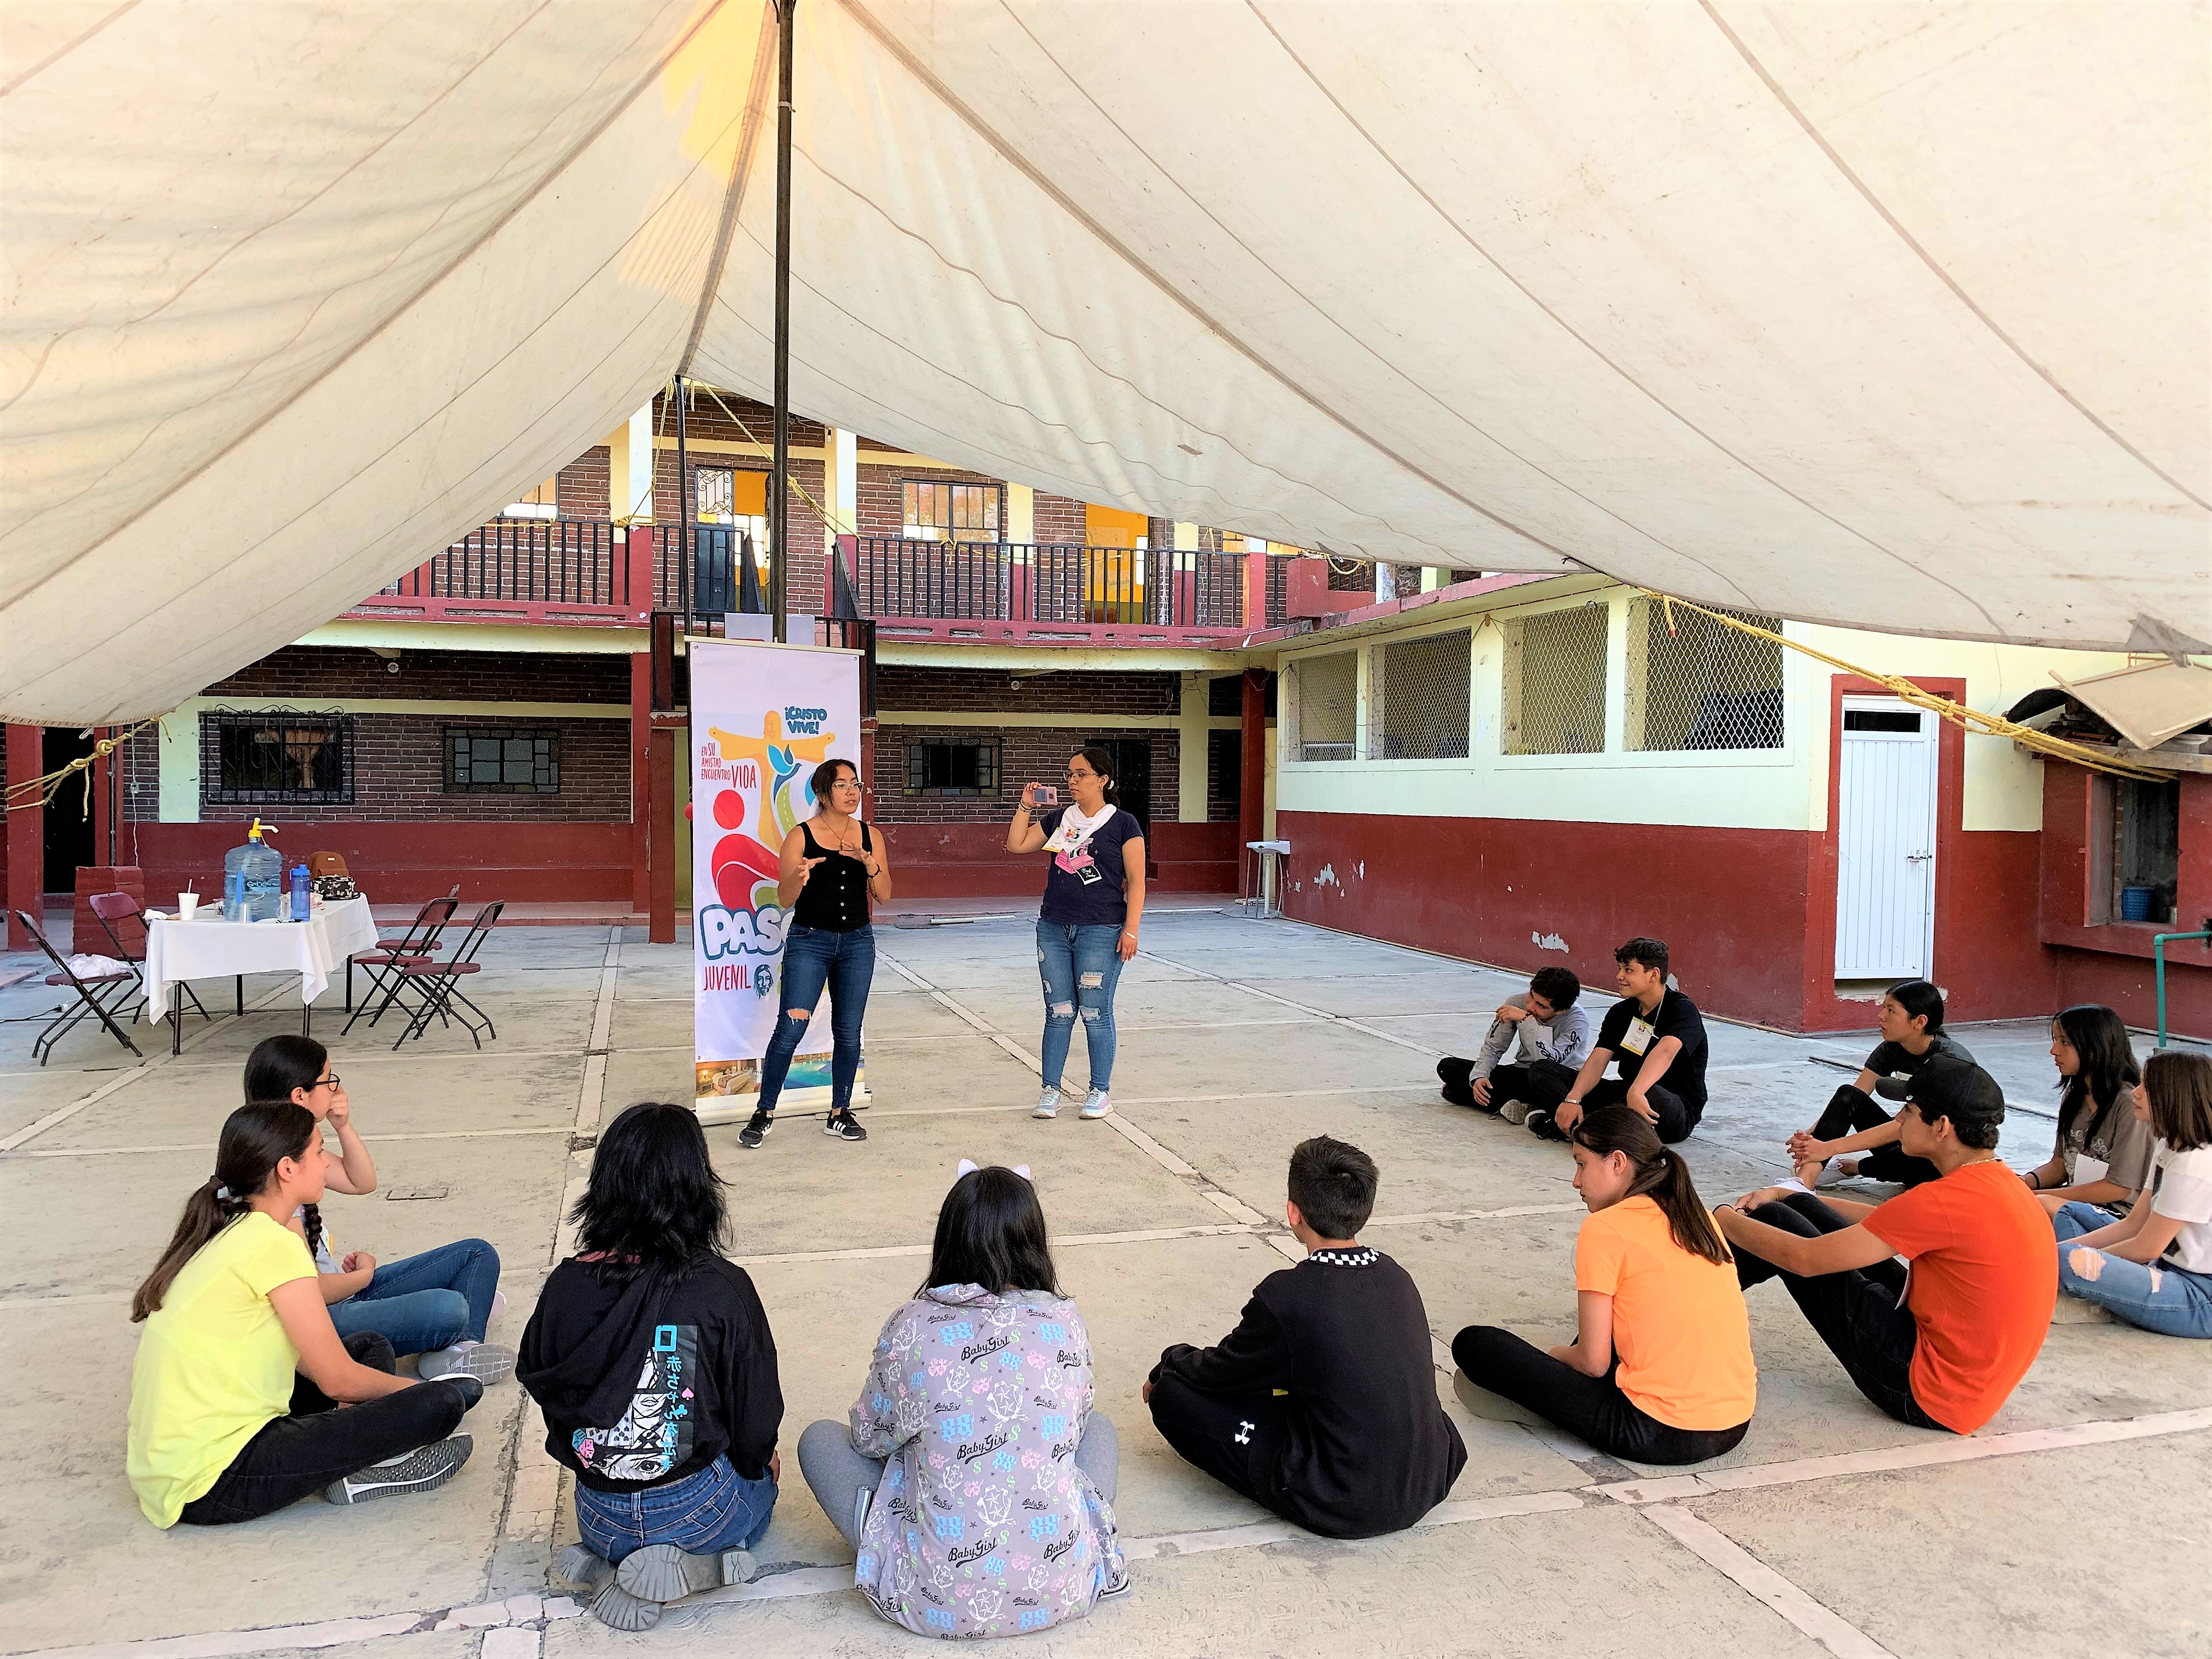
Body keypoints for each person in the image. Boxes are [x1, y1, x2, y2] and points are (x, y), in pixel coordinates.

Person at [797, 1161, 1126, 1639]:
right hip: (1063, 1591)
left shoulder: (912, 1326)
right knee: (1101, 1430)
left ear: (948, 1240)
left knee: (819, 1440)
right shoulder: (1065, 1323)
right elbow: (1073, 1428)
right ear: (1035, 1243)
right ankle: (1066, 1545)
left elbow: (869, 1438)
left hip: (932, 1604)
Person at [127, 1102, 479, 1527]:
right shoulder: (275, 1244)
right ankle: (359, 1472)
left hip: (178, 1462)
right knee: (440, 1402)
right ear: (287, 1169)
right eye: (318, 1153)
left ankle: (346, 1446)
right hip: (212, 1483)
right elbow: (336, 1379)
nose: (325, 1164)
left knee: (369, 1346)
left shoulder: (231, 1226)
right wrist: (407, 1394)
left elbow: (294, 1356)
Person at [520, 1103, 785, 1632]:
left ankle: (608, 1565)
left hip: (598, 1515)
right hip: (698, 1510)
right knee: (766, 1480)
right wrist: (759, 1467)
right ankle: (700, 1567)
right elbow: (757, 1417)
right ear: (698, 1185)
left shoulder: (565, 1285)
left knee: (633, 1512)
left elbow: (552, 1399)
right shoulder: (719, 1287)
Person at [1146, 1136, 1465, 1538]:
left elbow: (1221, 1372)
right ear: (1363, 1211)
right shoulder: (1396, 1276)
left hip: (1344, 1496)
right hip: (1430, 1476)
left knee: (1174, 1397)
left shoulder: (1288, 1296)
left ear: (1293, 1213)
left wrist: (1169, 1364)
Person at [1716, 1057, 2055, 1433]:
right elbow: (1892, 1218)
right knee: (1790, 1206)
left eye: (1908, 1111)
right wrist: (1788, 1193)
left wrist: (1723, 1217)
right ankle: (1689, 1304)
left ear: (1942, 1127)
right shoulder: (1997, 1184)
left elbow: (1805, 1260)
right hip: (1969, 1386)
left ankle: (1676, 1309)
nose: (1899, 1121)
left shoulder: (1944, 1201)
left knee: (1776, 1221)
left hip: (1926, 1393)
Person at [1453, 1106, 1755, 1464]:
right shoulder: (1699, 1217)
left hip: (1661, 1432)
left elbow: (1594, 1364)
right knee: (1618, 1313)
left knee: (1475, 1344)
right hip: (1736, 1422)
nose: (1576, 1181)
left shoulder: (1606, 1228)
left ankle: (1548, 1407)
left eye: (1581, 1164)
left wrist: (1554, 1358)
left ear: (1617, 1162)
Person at [244, 1035, 514, 1383]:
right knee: (450, 1308)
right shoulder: (276, 1181)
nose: (336, 1088)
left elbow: (362, 1182)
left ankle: (458, 1345)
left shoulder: (288, 1150)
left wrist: (342, 1126)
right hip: (323, 1317)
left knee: (477, 1255)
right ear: (300, 1096)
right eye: (329, 1079)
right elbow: (309, 1294)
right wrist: (363, 1277)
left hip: (344, 1293)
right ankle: (458, 1336)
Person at [738, 757, 888, 1149]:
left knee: (848, 1032)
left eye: (855, 784)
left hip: (857, 943)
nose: (852, 791)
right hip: (810, 941)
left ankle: (840, 1112)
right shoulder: (800, 835)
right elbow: (785, 899)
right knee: (791, 1028)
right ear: (822, 794)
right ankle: (764, 1112)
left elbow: (886, 895)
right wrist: (798, 877)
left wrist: (869, 862)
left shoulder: (870, 835)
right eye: (842, 785)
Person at [1005, 746, 1146, 1122]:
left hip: (1102, 930)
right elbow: (1015, 845)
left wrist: (1131, 930)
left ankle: (1099, 1092)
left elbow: (1137, 881)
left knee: (1096, 1012)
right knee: (1059, 1011)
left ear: (1103, 779)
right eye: (1070, 774)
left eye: (1081, 774)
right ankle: (1050, 1090)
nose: (1072, 780)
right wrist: (1024, 806)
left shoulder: (1124, 824)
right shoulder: (1058, 819)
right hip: (1053, 927)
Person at [2050, 1049, 2212, 1336]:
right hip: (2161, 1265)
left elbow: (2146, 1247)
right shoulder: (2169, 1145)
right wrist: (2062, 1253)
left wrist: (2064, 1257)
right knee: (2070, 1214)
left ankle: (2096, 1293)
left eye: (2145, 1087)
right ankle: (2101, 1295)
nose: (2135, 1094)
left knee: (2066, 1261)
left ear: (2172, 1096)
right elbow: (2134, 1224)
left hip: (2198, 1295)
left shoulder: (2194, 1163)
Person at [1785, 981, 1974, 1188]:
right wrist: (1810, 1139)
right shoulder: (1893, 1047)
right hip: (1910, 1143)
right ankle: (1804, 1181)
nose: (1881, 1016)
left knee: (1905, 1160)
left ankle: (1851, 1168)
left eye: (1891, 1010)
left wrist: (1829, 1147)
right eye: (1883, 1008)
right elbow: (1854, 1096)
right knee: (1848, 1095)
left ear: (1919, 1021)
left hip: (1941, 1162)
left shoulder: (1949, 1062)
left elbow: (1901, 1128)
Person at [1532, 938, 1707, 1145]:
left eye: (1629, 970)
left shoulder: (1682, 1009)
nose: (1620, 976)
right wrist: (1573, 1098)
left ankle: (1581, 1125)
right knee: (1542, 1070)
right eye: (1620, 969)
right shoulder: (1621, 1012)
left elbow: (1666, 1052)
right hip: (1627, 1094)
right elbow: (1598, 1060)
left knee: (1649, 1093)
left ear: (1654, 974)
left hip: (1670, 1106)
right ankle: (1586, 1125)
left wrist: (1638, 1090)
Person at [2019, 1005, 2152, 1221]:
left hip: (2120, 1214)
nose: (2054, 1050)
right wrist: (2024, 1182)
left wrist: (2037, 1196)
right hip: (2077, 1204)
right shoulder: (2074, 1097)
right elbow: (2060, 1165)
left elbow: (2119, 1188)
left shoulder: (2129, 1104)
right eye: (2055, 1040)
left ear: (2095, 1048)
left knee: (2031, 1209)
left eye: (2065, 1042)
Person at [1436, 966, 1589, 1125]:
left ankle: (1473, 1098)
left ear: (1562, 1011)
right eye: (1532, 996)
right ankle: (1520, 1105)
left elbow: (1546, 1061)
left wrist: (1526, 1020)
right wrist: (1479, 1077)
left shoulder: (1577, 1020)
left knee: (1540, 1075)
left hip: (1557, 1081)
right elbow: (1494, 1046)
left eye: (1541, 1006)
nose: (1531, 1007)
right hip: (1522, 1073)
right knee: (1448, 1067)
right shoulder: (1516, 1003)